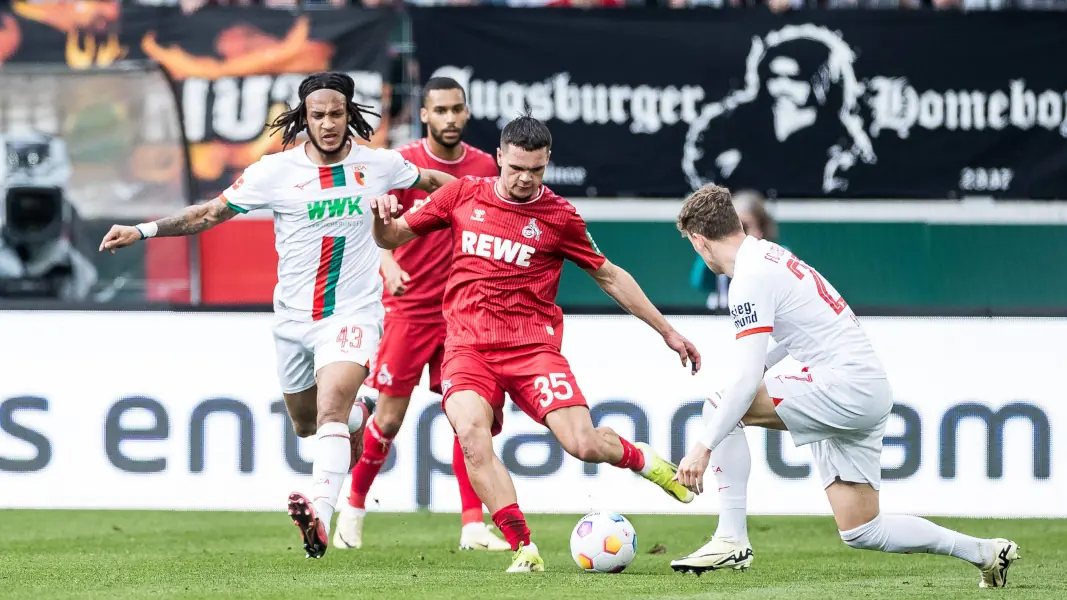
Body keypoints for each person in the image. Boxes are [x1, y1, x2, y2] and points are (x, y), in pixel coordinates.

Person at [98, 72, 457, 560]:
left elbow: (440, 183)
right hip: (292, 318)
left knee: (329, 408)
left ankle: (320, 517)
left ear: (349, 114)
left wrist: (491, 206)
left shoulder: (381, 165)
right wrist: (142, 230)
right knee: (308, 425)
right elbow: (208, 214)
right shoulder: (274, 171)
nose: (328, 124)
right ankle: (359, 414)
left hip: (352, 313)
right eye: (318, 116)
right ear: (303, 118)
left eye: (336, 114)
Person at [368, 115, 702, 573]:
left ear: (547, 164)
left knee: (582, 444)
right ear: (500, 157)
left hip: (532, 351)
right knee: (470, 434)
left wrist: (666, 330)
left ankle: (646, 462)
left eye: (537, 170)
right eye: (517, 168)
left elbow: (608, 275)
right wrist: (380, 222)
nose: (526, 179)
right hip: (467, 348)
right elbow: (394, 235)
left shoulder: (559, 216)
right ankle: (523, 546)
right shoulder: (463, 194)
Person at [669, 184, 1021, 588]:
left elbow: (747, 383)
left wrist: (702, 447)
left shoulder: (748, 277)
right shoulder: (770, 256)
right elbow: (799, 331)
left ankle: (731, 539)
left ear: (699, 240)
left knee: (720, 406)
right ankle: (985, 552)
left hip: (844, 385)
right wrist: (756, 373)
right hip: (865, 387)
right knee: (862, 530)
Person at [333, 76, 508, 553]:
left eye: (457, 109)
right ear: (425, 115)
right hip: (408, 309)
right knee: (388, 419)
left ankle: (474, 525)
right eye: (441, 110)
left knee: (470, 418)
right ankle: (353, 508)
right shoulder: (404, 163)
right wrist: (387, 262)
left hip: (462, 314)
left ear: (466, 113)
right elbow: (374, 223)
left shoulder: (482, 166)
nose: (450, 118)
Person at [689, 189, 778, 310]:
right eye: (730, 227)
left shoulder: (776, 256)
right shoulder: (719, 254)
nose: (735, 233)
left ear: (760, 230)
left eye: (743, 227)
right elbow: (699, 282)